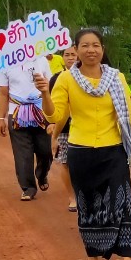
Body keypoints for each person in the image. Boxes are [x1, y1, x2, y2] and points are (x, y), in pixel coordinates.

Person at [40, 28, 131, 260]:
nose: (91, 50)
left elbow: (128, 115)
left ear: (102, 49)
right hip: (82, 151)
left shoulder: (116, 77)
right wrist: (44, 92)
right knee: (88, 206)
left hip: (114, 150)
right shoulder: (66, 80)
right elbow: (55, 117)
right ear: (76, 50)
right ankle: (93, 259)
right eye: (85, 45)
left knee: (122, 205)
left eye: (96, 45)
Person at [0, 41, 53, 201]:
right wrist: (1, 118)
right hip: (16, 113)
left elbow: (51, 85)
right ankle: (28, 187)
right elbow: (2, 93)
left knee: (45, 150)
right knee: (22, 153)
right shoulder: (4, 63)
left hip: (41, 111)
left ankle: (42, 174)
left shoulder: (41, 60)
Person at [48, 46, 79, 211]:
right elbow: (53, 105)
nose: (70, 58)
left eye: (73, 54)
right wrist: (52, 125)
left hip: (82, 127)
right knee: (65, 162)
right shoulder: (56, 79)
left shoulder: (87, 77)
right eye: (67, 55)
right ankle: (72, 197)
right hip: (64, 128)